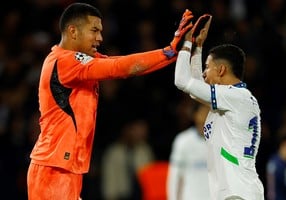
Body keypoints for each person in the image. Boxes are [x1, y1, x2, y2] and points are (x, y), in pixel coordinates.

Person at [26, 2, 194, 200]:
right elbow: (120, 67)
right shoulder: (65, 61)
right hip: (54, 169)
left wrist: (171, 54)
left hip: (64, 167)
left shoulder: (78, 61)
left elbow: (124, 65)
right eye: (94, 30)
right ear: (73, 31)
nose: (100, 37)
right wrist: (169, 51)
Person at [174, 14, 264, 199]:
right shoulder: (235, 99)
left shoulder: (233, 97)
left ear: (221, 70)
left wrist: (185, 43)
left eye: (208, 67)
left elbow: (182, 81)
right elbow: (194, 88)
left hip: (236, 193)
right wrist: (198, 46)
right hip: (240, 191)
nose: (205, 74)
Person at [100, 118, 155, 200]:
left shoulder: (145, 151)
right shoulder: (113, 153)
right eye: (136, 130)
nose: (140, 134)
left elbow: (151, 178)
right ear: (127, 130)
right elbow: (109, 185)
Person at [167, 103, 211, 200]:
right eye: (201, 116)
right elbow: (175, 176)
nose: (203, 119)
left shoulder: (220, 141)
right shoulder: (183, 141)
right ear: (194, 116)